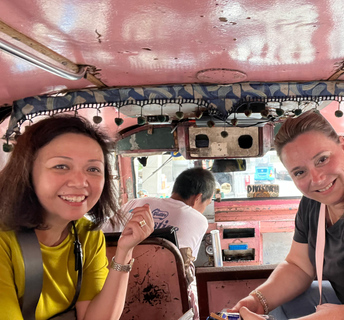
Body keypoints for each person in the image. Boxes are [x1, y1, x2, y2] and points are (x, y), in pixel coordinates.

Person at [231, 110, 344, 320]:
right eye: (299, 172)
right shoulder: (313, 203)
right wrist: (258, 300)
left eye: (322, 159)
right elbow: (299, 266)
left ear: (343, 147)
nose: (317, 179)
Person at [0, 115, 154, 320]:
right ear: (26, 171)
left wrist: (125, 251)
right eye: (61, 166)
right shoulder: (4, 240)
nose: (81, 181)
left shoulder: (87, 235)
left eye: (93, 169)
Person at [103, 167, 216, 260]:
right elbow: (185, 265)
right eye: (207, 204)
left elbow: (103, 233)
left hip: (107, 269)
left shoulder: (136, 203)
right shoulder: (199, 220)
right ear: (197, 198)